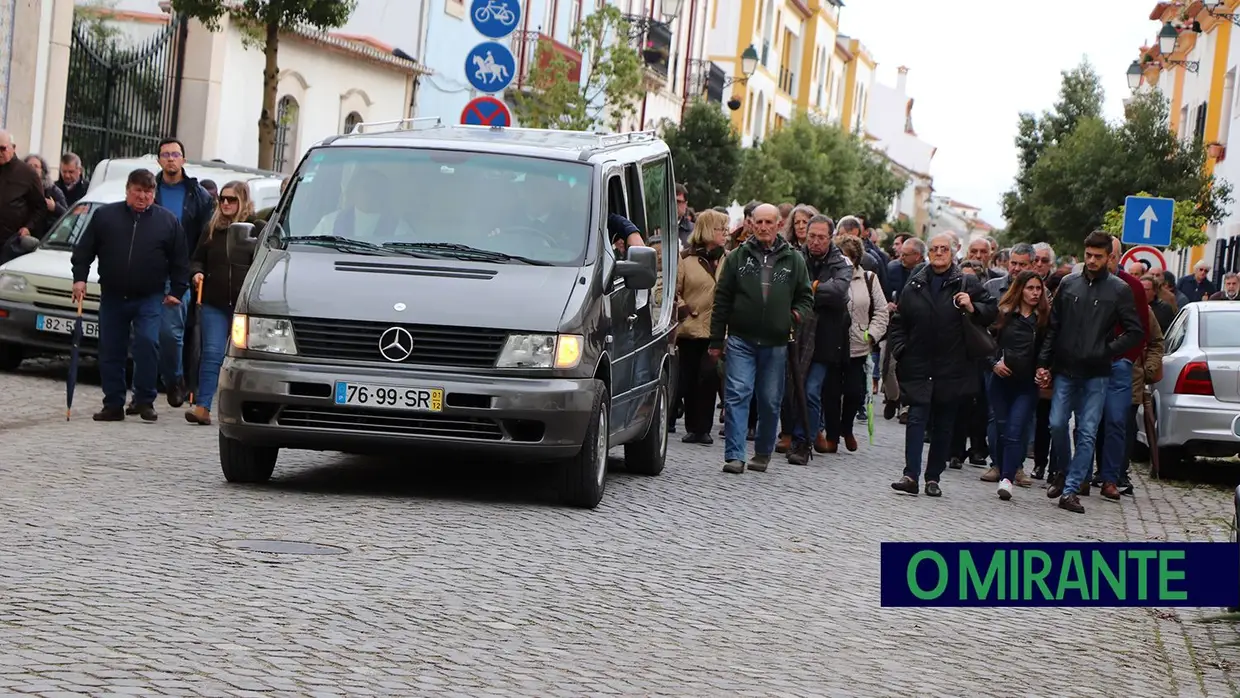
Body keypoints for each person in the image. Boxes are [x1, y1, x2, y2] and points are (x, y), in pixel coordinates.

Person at [1038, 231, 1144, 514]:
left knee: (1087, 431)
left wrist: (1106, 350)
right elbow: (1053, 328)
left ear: (1109, 257)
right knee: (1057, 423)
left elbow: (1135, 331)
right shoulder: (1069, 284)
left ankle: (1071, 489)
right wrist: (1044, 363)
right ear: (1083, 254)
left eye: (1099, 256)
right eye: (1089, 256)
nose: (1093, 261)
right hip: (1066, 368)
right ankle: (1063, 469)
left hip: (1097, 371)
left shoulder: (1119, 289)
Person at [71, 168, 189, 422]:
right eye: (138, 191)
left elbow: (180, 260)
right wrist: (79, 278)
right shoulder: (105, 216)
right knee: (111, 349)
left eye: (148, 192)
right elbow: (84, 250)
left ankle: (144, 400)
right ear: (128, 190)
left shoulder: (167, 221)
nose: (143, 197)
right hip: (113, 295)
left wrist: (177, 290)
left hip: (149, 296)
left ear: (154, 194)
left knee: (147, 343)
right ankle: (113, 403)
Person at [889, 232, 997, 497]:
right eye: (934, 249)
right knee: (916, 418)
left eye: (944, 249)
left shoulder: (966, 282)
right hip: (919, 363)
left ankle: (933, 477)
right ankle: (910, 474)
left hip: (953, 366)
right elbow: (899, 321)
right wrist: (902, 349)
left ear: (953, 253)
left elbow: (992, 311)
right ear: (928, 253)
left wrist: (972, 307)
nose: (938, 253)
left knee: (944, 424)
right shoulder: (916, 282)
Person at [709, 203, 813, 475]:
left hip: (776, 342)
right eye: (759, 222)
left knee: (769, 400)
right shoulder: (736, 258)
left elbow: (805, 298)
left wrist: (793, 318)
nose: (764, 227)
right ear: (751, 225)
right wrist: (716, 340)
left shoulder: (794, 259)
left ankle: (763, 451)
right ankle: (734, 455)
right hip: (741, 338)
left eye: (770, 222)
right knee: (737, 394)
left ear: (779, 225)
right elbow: (722, 300)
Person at [185, 181, 256, 425]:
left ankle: (244, 408)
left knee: (244, 359)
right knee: (212, 353)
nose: (225, 203)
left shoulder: (256, 229)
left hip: (243, 306)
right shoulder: (212, 229)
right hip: (214, 301)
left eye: (231, 199)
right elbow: (197, 259)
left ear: (243, 201)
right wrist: (197, 272)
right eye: (222, 199)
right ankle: (203, 406)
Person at [785, 214, 853, 465]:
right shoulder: (795, 256)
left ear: (830, 238)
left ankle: (804, 441)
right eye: (811, 236)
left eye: (821, 237)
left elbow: (837, 293)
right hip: (796, 331)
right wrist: (815, 288)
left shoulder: (841, 262)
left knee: (811, 390)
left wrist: (809, 287)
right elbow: (786, 286)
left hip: (826, 335)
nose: (815, 241)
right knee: (791, 388)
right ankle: (791, 434)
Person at [153, 138, 215, 408]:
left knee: (171, 331)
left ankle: (175, 379)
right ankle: (143, 392)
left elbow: (207, 234)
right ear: (158, 160)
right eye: (165, 154)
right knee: (144, 332)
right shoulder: (149, 188)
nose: (170, 159)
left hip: (179, 271)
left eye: (175, 154)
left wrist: (198, 267)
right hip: (149, 267)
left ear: (183, 160)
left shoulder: (197, 195)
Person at [820, 234, 888, 455]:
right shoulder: (830, 275)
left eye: (851, 257)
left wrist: (871, 335)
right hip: (832, 342)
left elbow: (881, 311)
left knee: (853, 392)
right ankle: (831, 436)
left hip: (858, 344)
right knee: (830, 392)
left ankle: (845, 427)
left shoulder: (868, 278)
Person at [986, 271, 1048, 500]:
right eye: (1030, 288)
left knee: (1015, 431)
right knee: (1002, 428)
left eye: (1038, 289)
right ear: (1020, 289)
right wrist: (993, 363)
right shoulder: (1004, 314)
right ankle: (1002, 467)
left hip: (1026, 384)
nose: (1034, 293)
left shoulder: (1043, 319)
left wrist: (1043, 368)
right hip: (1001, 380)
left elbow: (1047, 348)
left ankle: (1007, 478)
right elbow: (987, 342)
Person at [674, 209, 729, 444]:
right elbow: (669, 291)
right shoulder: (685, 259)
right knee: (689, 379)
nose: (725, 233)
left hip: (717, 330)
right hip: (690, 330)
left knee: (709, 376)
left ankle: (703, 427)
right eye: (721, 229)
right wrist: (685, 310)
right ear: (708, 230)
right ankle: (692, 427)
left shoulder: (730, 259)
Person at [0, 130, 47, 256]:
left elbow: (40, 207)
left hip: (11, 242)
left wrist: (28, 227)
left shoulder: (28, 174)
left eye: (2, 149)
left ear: (13, 148)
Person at [23, 154, 68, 238]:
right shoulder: (19, 188)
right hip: (22, 235)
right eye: (29, 165)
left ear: (42, 170)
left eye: (36, 166)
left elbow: (67, 215)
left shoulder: (53, 190)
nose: (32, 168)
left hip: (45, 237)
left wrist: (55, 207)